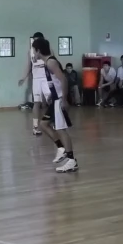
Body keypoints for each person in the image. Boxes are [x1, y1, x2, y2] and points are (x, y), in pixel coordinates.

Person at [33, 38, 78, 172]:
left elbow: (63, 79)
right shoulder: (48, 62)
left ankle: (71, 160)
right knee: (43, 124)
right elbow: (55, 82)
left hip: (60, 99)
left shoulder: (51, 62)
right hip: (55, 99)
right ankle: (62, 148)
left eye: (34, 51)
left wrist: (64, 99)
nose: (33, 54)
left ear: (38, 51)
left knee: (61, 129)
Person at [18, 32, 46, 135]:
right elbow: (28, 66)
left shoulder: (48, 50)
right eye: (34, 40)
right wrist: (23, 78)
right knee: (36, 103)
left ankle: (51, 122)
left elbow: (53, 63)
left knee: (50, 101)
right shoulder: (30, 52)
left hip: (46, 79)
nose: (36, 42)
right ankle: (35, 127)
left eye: (38, 40)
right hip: (37, 80)